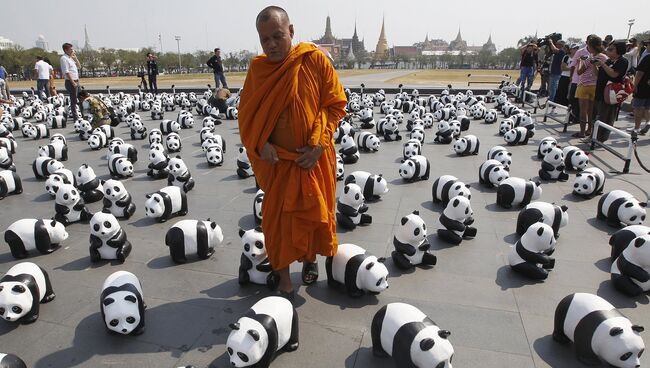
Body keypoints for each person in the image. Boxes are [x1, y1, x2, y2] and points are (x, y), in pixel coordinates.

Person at [238, 6, 347, 298]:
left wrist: (319, 143)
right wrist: (262, 145)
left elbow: (336, 105)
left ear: (291, 31)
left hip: (315, 159)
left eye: (277, 36)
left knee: (313, 216)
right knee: (277, 223)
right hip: (279, 163)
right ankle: (284, 282)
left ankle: (310, 260)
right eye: (264, 40)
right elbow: (247, 117)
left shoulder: (314, 61)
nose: (271, 44)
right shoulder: (258, 70)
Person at [592, 40, 629, 142]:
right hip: (600, 92)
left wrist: (603, 64)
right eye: (608, 48)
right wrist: (593, 65)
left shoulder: (623, 61)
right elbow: (597, 74)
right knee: (596, 115)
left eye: (611, 49)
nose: (607, 50)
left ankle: (600, 139)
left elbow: (614, 74)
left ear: (619, 50)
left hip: (611, 95)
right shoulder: (608, 61)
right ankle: (593, 137)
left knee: (606, 117)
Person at [574, 36, 605, 139]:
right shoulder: (604, 57)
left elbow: (579, 72)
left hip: (584, 86)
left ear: (591, 47)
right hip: (596, 86)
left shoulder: (589, 58)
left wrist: (579, 62)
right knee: (591, 110)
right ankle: (589, 129)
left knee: (583, 110)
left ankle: (582, 132)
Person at [631, 40, 650, 136]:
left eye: (648, 44)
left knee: (638, 108)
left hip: (642, 86)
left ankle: (636, 128)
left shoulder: (647, 58)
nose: (647, 46)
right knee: (647, 107)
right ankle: (648, 122)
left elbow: (639, 73)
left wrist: (635, 85)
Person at [60, 43, 81, 121]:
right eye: (71, 49)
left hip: (76, 80)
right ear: (66, 50)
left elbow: (79, 66)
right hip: (70, 81)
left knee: (81, 98)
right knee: (74, 100)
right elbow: (66, 72)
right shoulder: (64, 58)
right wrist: (73, 82)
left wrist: (75, 58)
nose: (73, 50)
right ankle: (76, 117)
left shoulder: (70, 58)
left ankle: (81, 115)